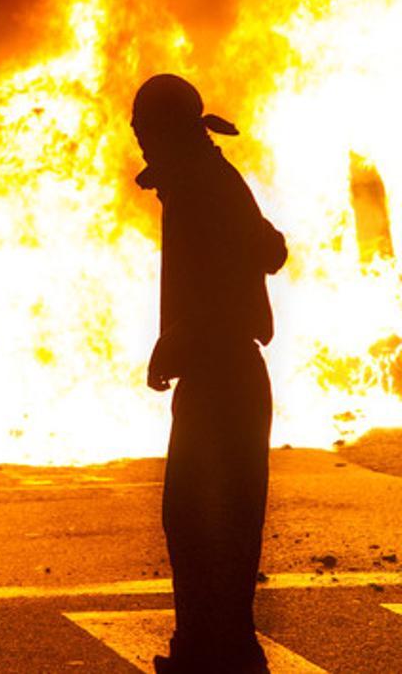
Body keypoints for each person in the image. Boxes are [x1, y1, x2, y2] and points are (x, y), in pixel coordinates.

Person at [131, 73, 288, 674]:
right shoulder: (197, 178)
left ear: (169, 126)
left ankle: (218, 653)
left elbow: (267, 249)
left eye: (146, 130)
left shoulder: (206, 183)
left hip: (224, 374)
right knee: (198, 519)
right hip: (215, 372)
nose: (141, 144)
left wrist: (182, 340)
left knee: (206, 521)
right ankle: (210, 649)